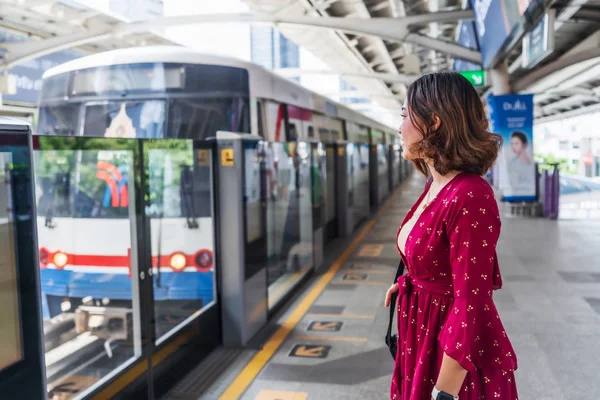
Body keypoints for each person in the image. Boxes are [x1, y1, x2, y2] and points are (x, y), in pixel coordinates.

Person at [385, 71, 518, 400]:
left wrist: (444, 391)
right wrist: (414, 282)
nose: (399, 128)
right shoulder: (435, 185)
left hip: (451, 356)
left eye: (405, 116)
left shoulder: (471, 194)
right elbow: (440, 264)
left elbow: (472, 302)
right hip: (423, 331)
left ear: (435, 122)